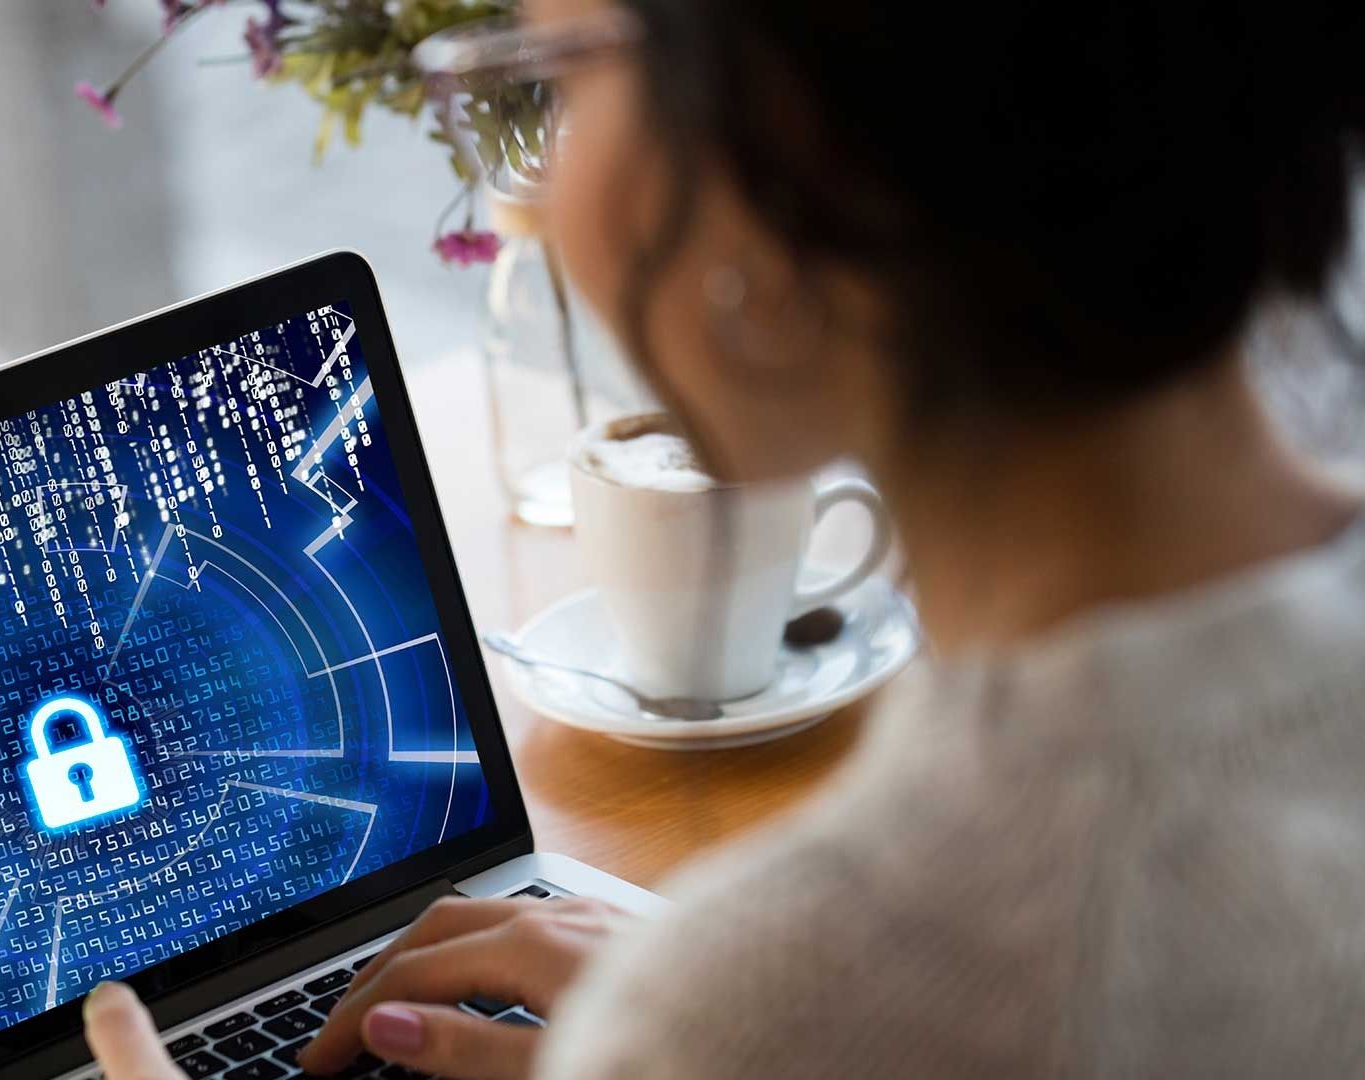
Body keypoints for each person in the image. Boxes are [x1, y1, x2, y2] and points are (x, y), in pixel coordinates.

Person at [86, 0, 1365, 1074]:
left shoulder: (806, 995)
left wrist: (722, 1015)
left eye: (557, 78)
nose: (541, 182)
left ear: (787, 158)